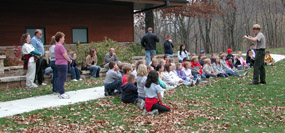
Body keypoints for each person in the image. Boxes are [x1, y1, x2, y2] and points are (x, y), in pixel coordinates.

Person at [54, 32, 72, 99]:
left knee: (60, 78)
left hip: (58, 63)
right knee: (62, 78)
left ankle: (60, 91)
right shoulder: (60, 46)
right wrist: (69, 60)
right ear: (60, 38)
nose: (64, 39)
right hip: (62, 64)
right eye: (63, 37)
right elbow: (65, 55)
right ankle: (61, 92)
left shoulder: (56, 45)